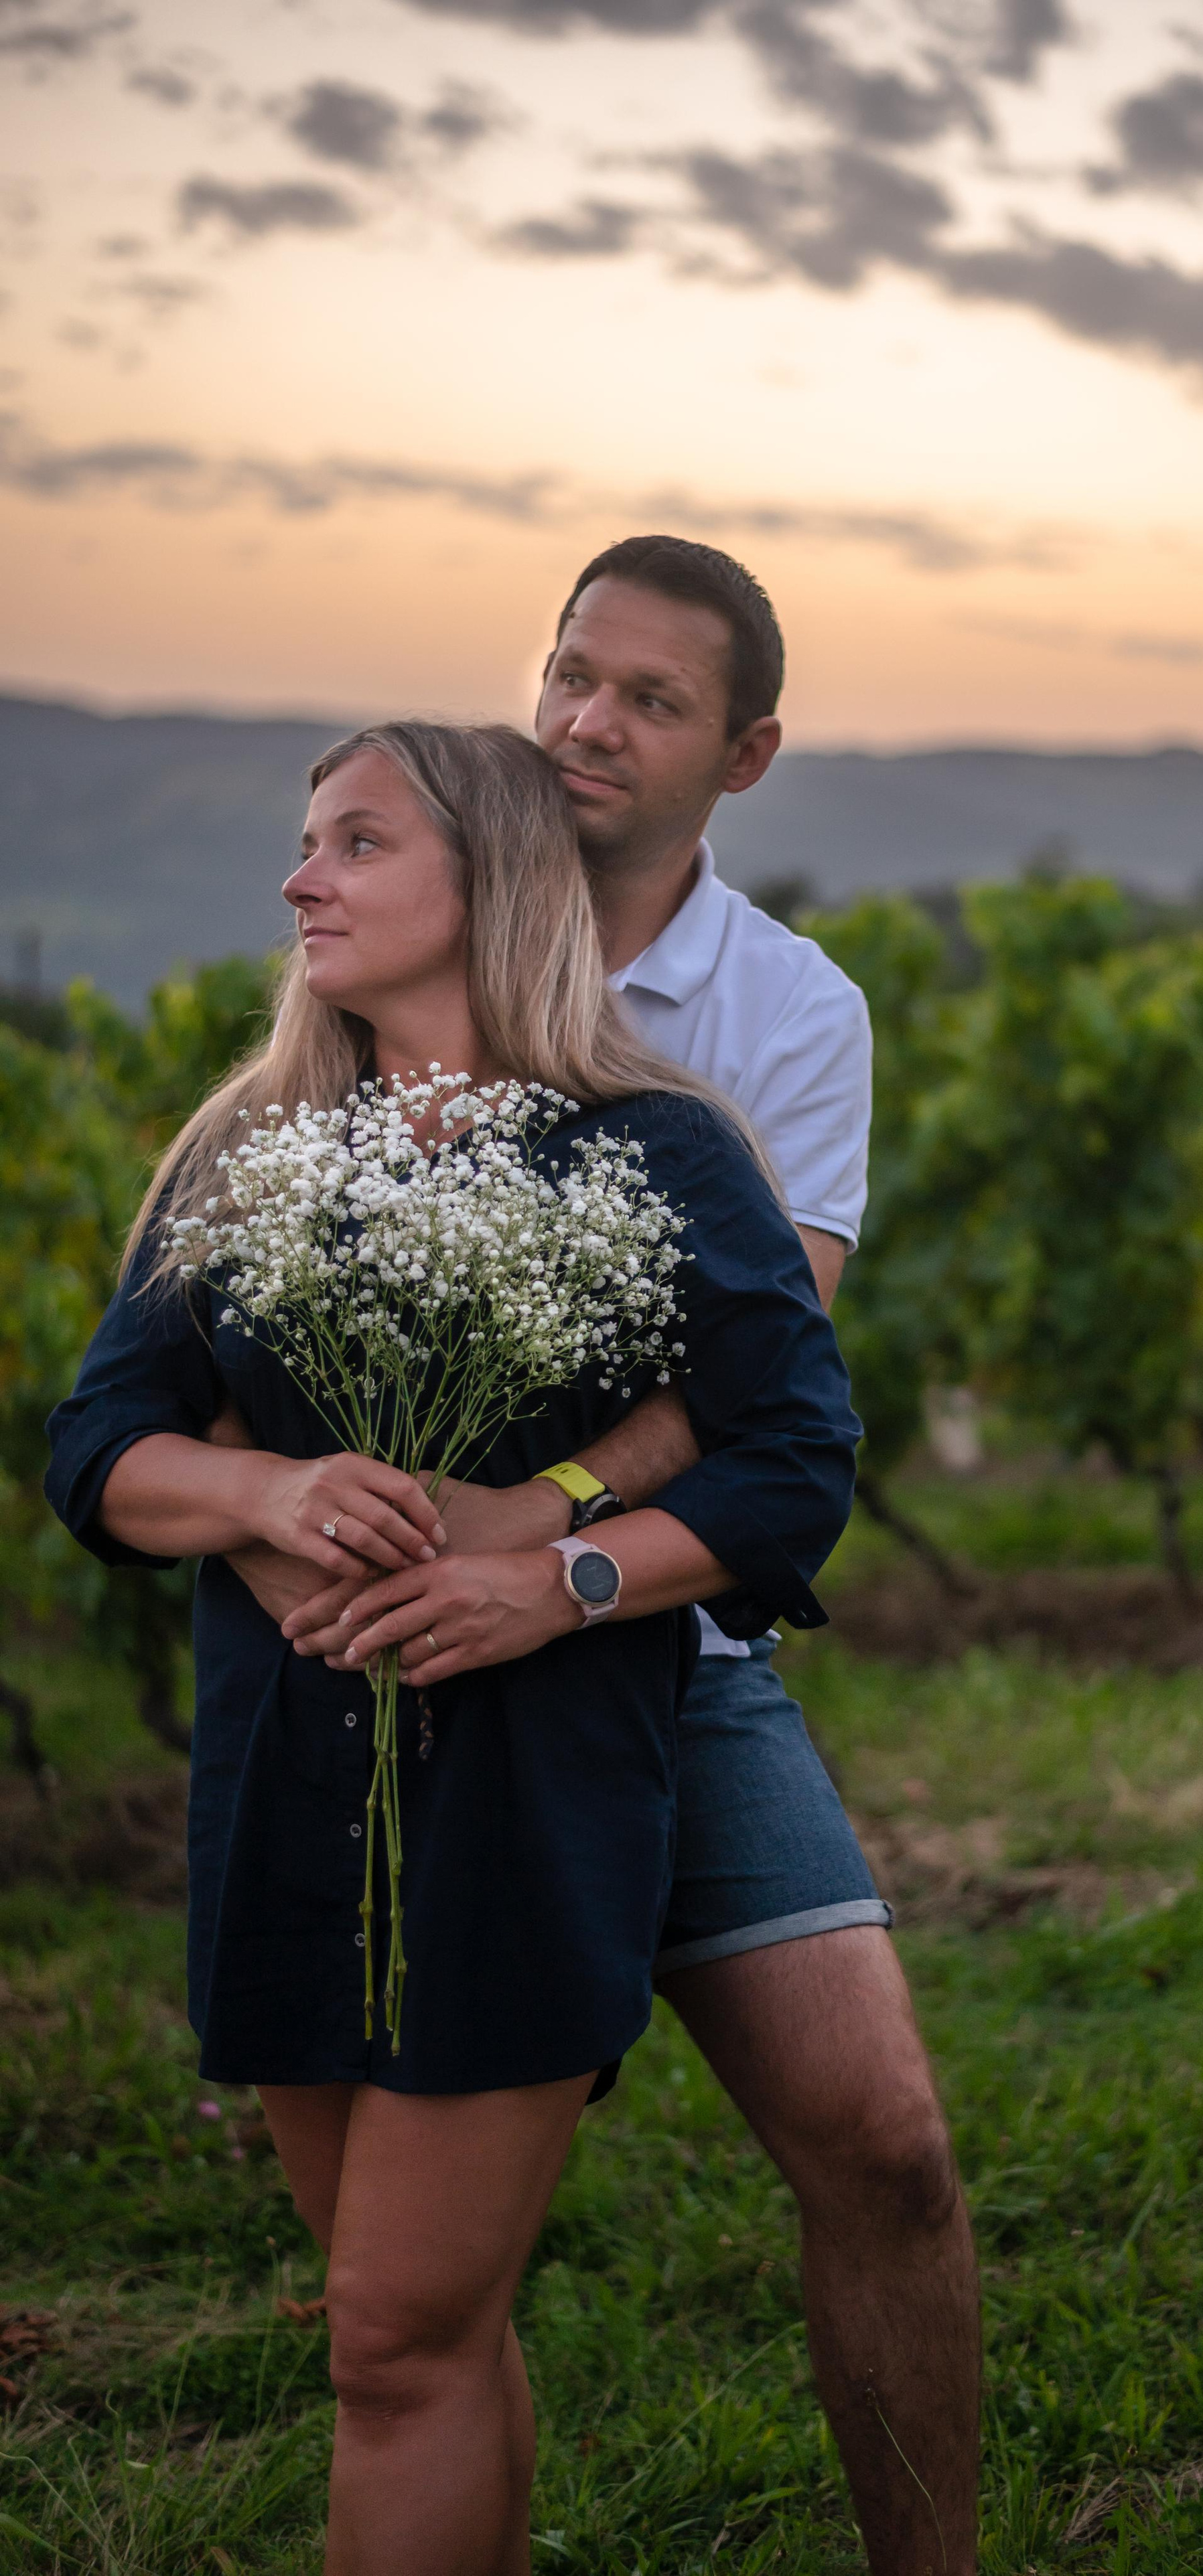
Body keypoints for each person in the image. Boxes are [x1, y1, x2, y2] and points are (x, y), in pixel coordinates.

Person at [237, 538, 983, 2576]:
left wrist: (549, 1521)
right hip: (410, 1669)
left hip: (662, 1634)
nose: (585, 720)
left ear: (742, 756)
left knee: (888, 2148)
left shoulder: (786, 1014)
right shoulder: (411, 914)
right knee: (412, 2301)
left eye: (649, 700)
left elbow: (774, 1372)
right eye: (572, 673)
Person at [45, 718, 859, 2576]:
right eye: (303, 841)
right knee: (418, 2329)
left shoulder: (655, 1153)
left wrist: (554, 1578)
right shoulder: (246, 1151)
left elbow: (792, 1462)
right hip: (281, 1796)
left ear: (485, 881)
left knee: (392, 2337)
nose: (298, 878)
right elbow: (100, 1448)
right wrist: (266, 1503)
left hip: (521, 1805)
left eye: (353, 842)